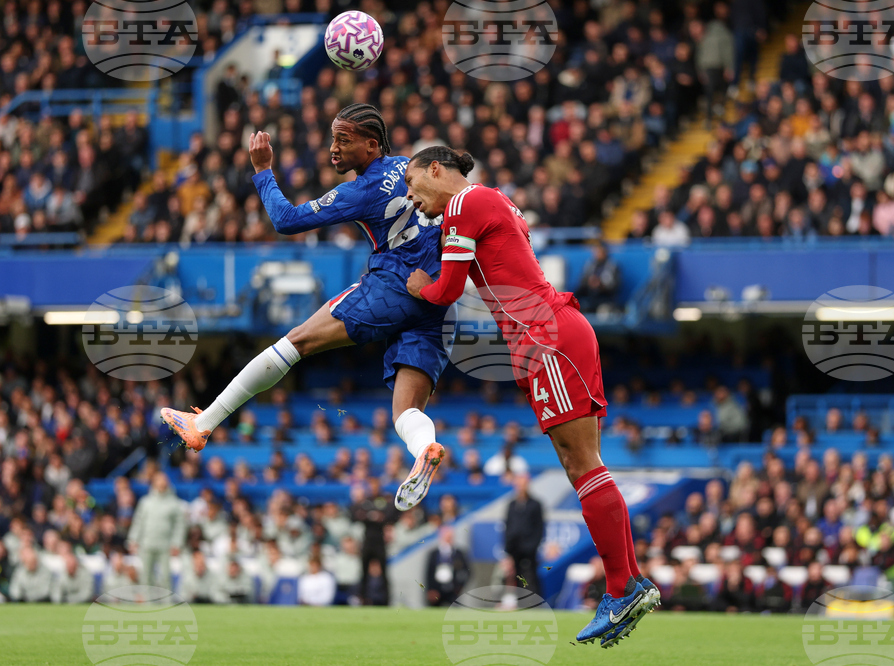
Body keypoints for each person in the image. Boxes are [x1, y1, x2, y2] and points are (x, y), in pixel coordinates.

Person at [402, 146, 658, 648]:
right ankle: (629, 582)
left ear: (437, 170)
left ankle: (622, 586)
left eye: (414, 184)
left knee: (583, 464)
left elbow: (448, 289)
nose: (412, 198)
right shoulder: (490, 201)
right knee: (584, 463)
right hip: (551, 335)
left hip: (546, 339)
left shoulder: (463, 204)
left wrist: (419, 287)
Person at [161, 104, 450, 513]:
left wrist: (263, 172)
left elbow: (285, 219)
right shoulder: (410, 167)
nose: (332, 149)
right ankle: (426, 448)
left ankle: (202, 424)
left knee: (295, 342)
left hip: (394, 285)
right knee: (407, 411)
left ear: (371, 145)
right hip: (437, 297)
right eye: (333, 138)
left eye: (343, 141)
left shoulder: (361, 190)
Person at [126, 472, 186, 590]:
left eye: (164, 480)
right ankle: (148, 604)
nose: (162, 483)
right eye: (159, 480)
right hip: (147, 543)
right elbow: (138, 522)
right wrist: (133, 539)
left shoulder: (174, 503)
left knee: (165, 576)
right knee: (146, 575)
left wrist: (177, 543)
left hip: (165, 544)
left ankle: (166, 604)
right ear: (154, 483)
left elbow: (180, 525)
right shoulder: (145, 502)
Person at [504, 473, 544, 594]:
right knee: (516, 578)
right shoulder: (512, 505)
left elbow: (539, 529)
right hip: (514, 549)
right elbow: (508, 527)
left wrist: (531, 547)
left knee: (531, 576)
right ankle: (519, 602)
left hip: (529, 550)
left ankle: (536, 603)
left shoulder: (535, 505)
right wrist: (508, 549)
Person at [424, 526, 470, 607]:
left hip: (452, 590)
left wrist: (459, 587)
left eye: (450, 537)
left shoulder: (459, 554)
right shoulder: (434, 554)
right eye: (447, 537)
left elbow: (467, 571)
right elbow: (428, 573)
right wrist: (430, 589)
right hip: (436, 589)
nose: (449, 540)